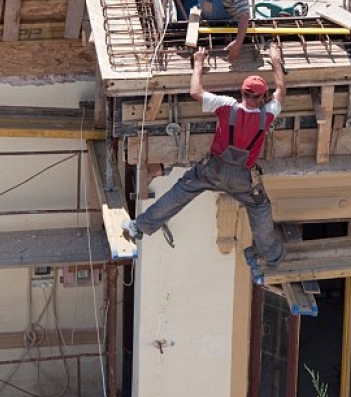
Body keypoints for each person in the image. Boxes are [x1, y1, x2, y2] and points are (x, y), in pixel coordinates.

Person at [122, 43, 287, 267]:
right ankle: (272, 255)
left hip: (212, 169)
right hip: (242, 178)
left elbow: (195, 92)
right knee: (260, 208)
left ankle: (139, 227)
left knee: (180, 193)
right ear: (262, 97)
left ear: (242, 92)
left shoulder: (227, 106)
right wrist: (275, 60)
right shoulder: (266, 115)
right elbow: (281, 91)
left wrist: (199, 61)